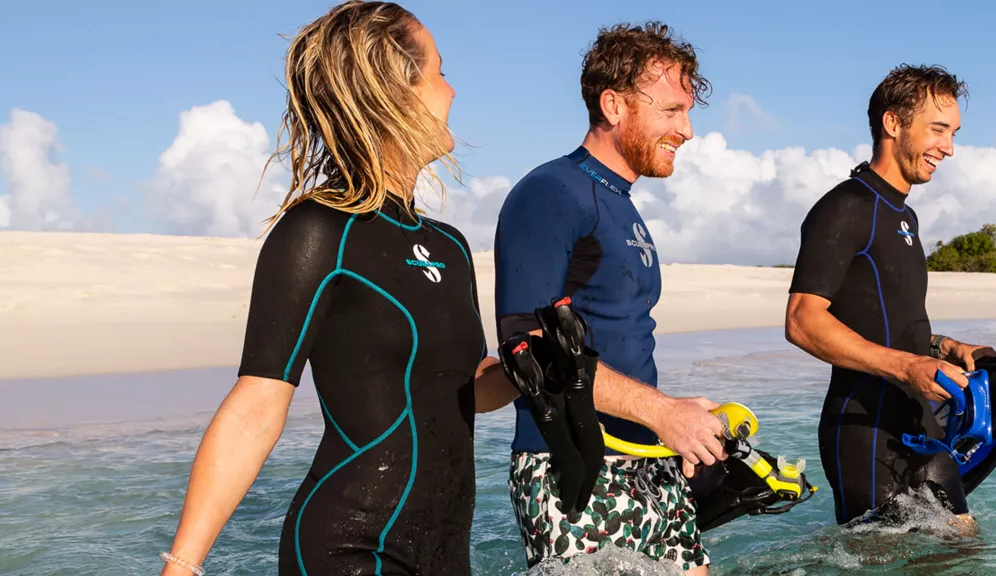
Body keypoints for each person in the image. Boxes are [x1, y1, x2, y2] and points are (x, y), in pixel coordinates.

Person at [158, 2, 519, 575]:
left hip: (442, 556)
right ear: (397, 91)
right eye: (440, 71)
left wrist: (528, 370)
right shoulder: (318, 232)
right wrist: (182, 566)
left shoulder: (448, 245)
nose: (451, 91)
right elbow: (255, 408)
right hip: (348, 550)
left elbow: (461, 393)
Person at [492, 21, 727, 575]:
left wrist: (676, 413)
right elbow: (528, 348)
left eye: (687, 112)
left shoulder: (620, 201)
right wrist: (661, 411)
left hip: (646, 458)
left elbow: (610, 335)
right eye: (671, 112)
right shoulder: (551, 193)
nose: (687, 130)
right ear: (614, 105)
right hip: (572, 468)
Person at [783, 64, 995, 534]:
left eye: (953, 133)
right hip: (865, 429)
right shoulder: (844, 207)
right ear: (892, 123)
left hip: (919, 425)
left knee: (966, 551)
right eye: (938, 130)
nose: (949, 148)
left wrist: (944, 347)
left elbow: (881, 317)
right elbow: (802, 320)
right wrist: (906, 367)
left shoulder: (906, 216)